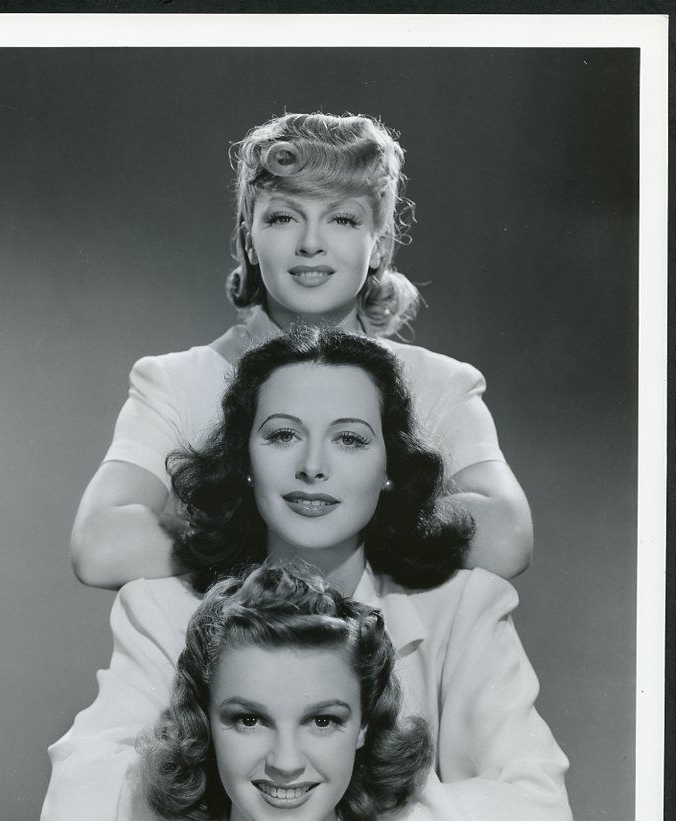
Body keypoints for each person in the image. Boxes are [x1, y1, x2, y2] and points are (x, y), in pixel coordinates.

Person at [40, 328, 572, 821]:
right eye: (283, 435)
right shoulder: (161, 606)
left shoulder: (464, 606)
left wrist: (297, 785)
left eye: (349, 440)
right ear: (243, 457)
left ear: (390, 465)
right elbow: (71, 817)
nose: (313, 466)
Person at [69, 112, 533, 589]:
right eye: (285, 217)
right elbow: (100, 547)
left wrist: (305, 515)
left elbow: (507, 535)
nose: (311, 243)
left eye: (342, 219)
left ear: (378, 245)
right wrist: (303, 519)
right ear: (250, 240)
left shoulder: (441, 383)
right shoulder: (175, 381)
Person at [71, 564, 528, 821]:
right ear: (204, 720)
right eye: (250, 720)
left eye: (323, 721)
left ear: (365, 724)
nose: (285, 762)